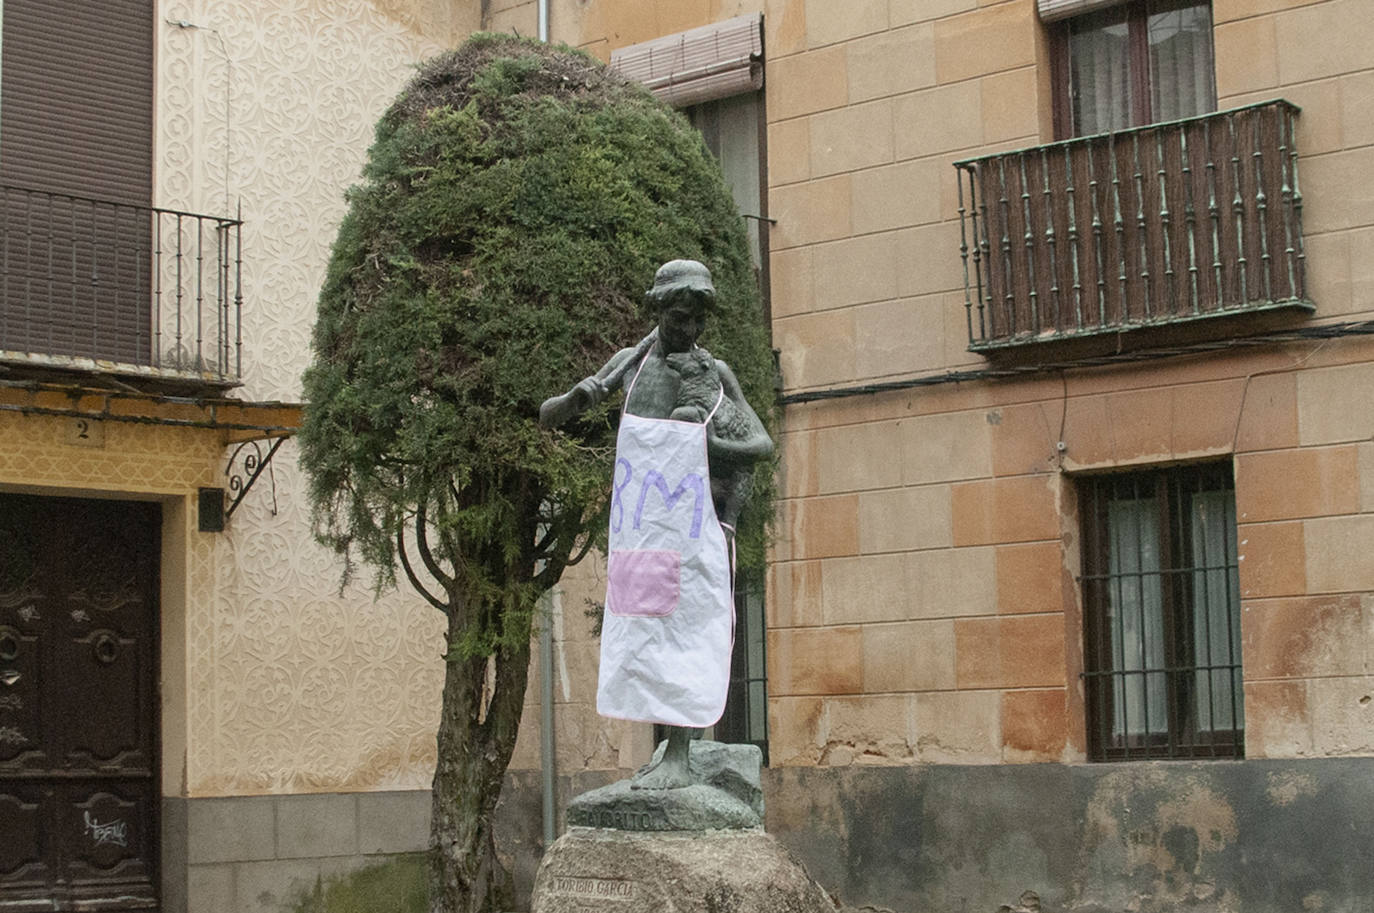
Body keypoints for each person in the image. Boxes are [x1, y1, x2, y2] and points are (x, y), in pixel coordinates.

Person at [539, 259, 772, 789]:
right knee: (644, 632)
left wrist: (709, 441)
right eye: (680, 318)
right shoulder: (629, 366)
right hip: (642, 532)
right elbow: (551, 416)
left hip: (695, 529)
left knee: (688, 631)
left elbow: (761, 444)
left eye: (697, 320)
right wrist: (574, 400)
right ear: (660, 311)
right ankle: (666, 748)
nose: (690, 329)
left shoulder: (714, 373)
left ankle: (681, 753)